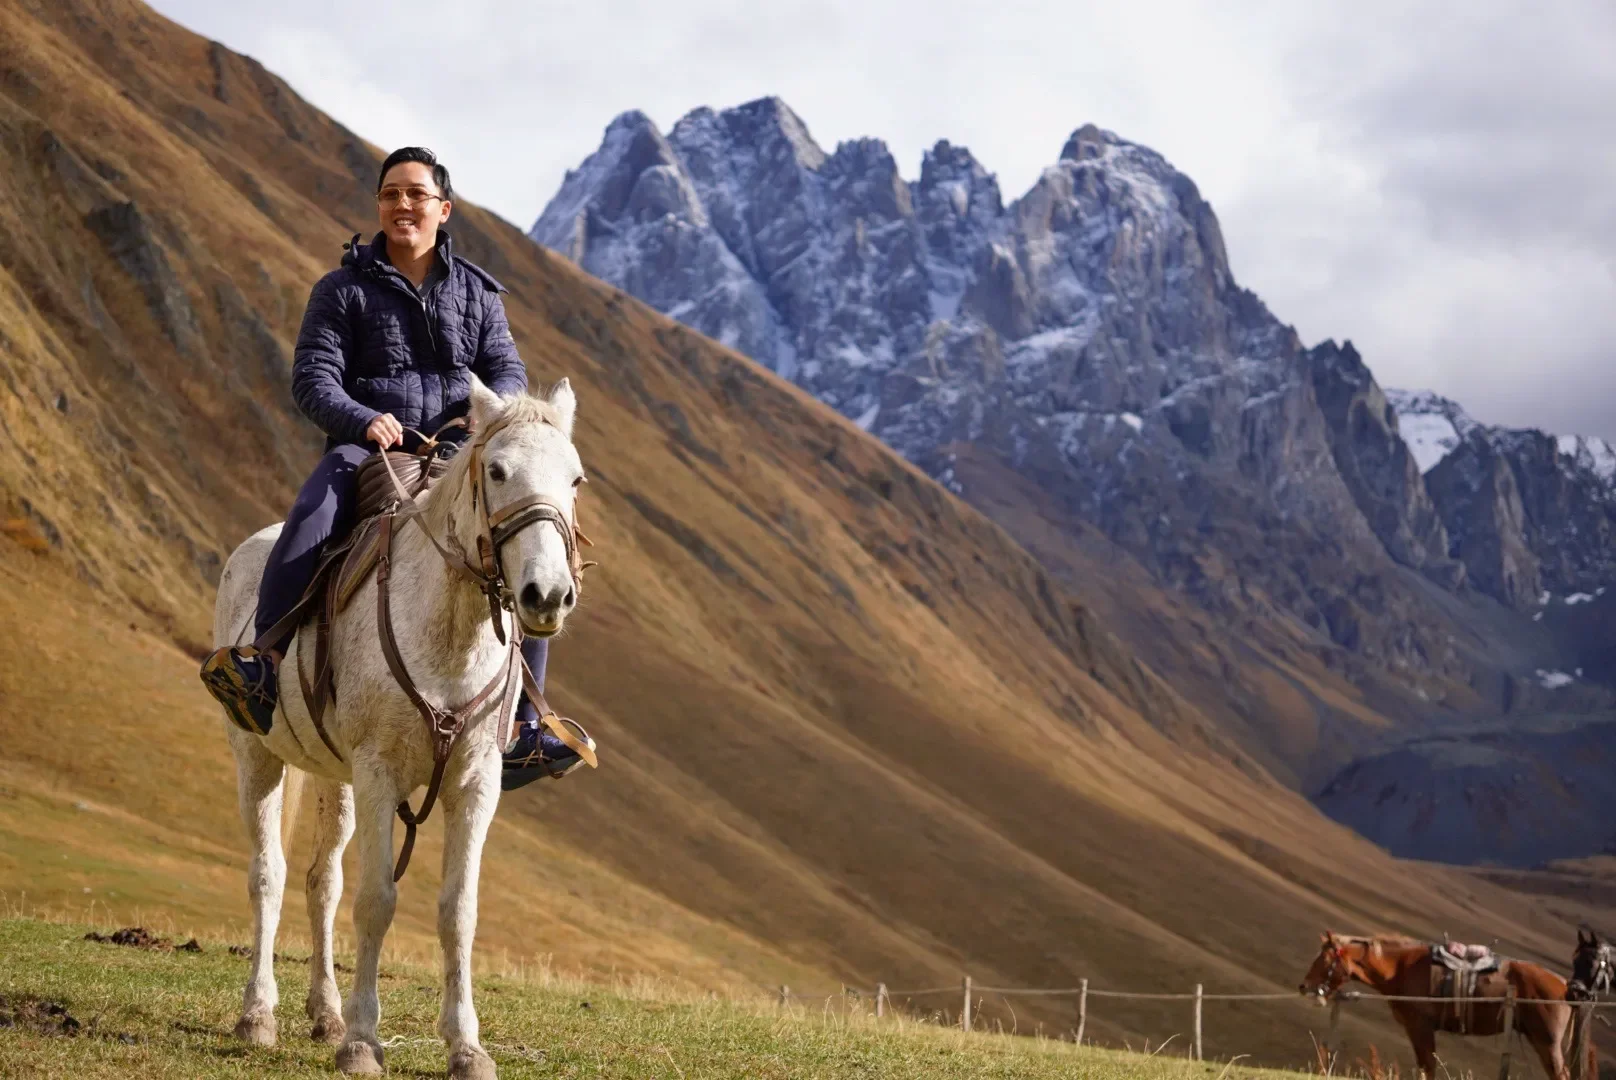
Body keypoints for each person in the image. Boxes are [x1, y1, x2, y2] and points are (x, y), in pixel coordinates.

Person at [200, 146, 590, 790]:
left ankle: (528, 723)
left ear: (444, 209)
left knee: (527, 532)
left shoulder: (479, 294)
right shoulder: (341, 290)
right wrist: (361, 419)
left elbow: (509, 372)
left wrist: (490, 420)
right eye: (390, 195)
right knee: (315, 508)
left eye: (415, 194)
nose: (401, 205)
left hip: (457, 455)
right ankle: (262, 663)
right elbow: (313, 378)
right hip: (369, 448)